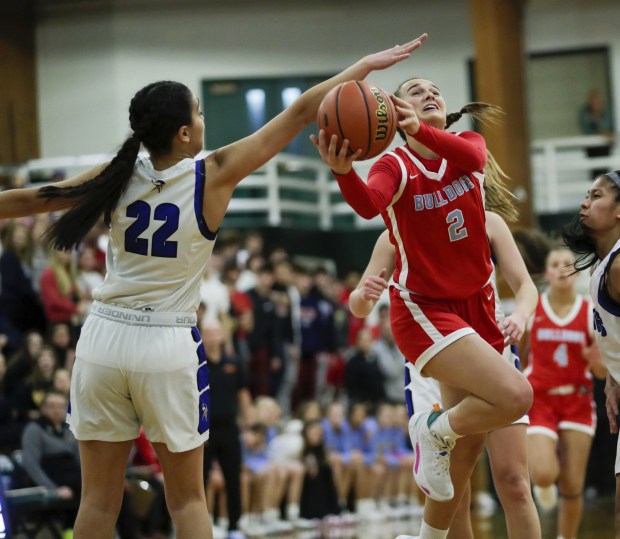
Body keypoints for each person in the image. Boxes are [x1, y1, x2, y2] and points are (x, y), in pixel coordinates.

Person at [0, 35, 426, 539]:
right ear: (183, 133)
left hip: (102, 341)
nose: (204, 121)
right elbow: (298, 116)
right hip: (165, 342)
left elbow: (32, 199)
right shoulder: (213, 174)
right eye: (199, 114)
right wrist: (360, 68)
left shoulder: (116, 176)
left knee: (96, 503)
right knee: (187, 501)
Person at [312, 75, 533, 538]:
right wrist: (342, 171)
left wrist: (421, 128)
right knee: (515, 397)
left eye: (434, 89)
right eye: (415, 90)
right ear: (392, 113)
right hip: (426, 311)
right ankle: (435, 428)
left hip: (479, 319)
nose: (428, 93)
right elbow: (370, 206)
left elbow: (474, 156)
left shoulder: (466, 146)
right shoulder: (394, 165)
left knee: (470, 465)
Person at [349, 209, 541, 539]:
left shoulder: (486, 222)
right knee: (454, 491)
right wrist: (363, 297)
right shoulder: (394, 235)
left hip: (492, 351)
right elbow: (358, 304)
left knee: (515, 482)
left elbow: (526, 286)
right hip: (433, 361)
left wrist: (520, 315)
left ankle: (433, 435)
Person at [522, 244, 606, 539]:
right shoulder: (532, 308)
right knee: (544, 472)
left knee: (572, 484)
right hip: (540, 398)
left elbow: (600, 371)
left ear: (576, 272)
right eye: (555, 263)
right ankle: (543, 486)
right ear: (547, 273)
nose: (562, 268)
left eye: (568, 263)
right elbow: (519, 354)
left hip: (577, 399)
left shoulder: (589, 312)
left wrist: (598, 362)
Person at [562, 169, 620, 537]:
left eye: (596, 196)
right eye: (586, 194)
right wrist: (613, 379)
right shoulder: (605, 264)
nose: (585, 202)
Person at [578, 89, 615, 180]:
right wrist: (601, 132)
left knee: (605, 172)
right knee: (595, 175)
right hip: (592, 148)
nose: (596, 103)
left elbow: (610, 128)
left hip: (605, 147)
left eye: (597, 101)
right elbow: (587, 130)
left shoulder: (607, 112)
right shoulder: (584, 113)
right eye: (593, 101)